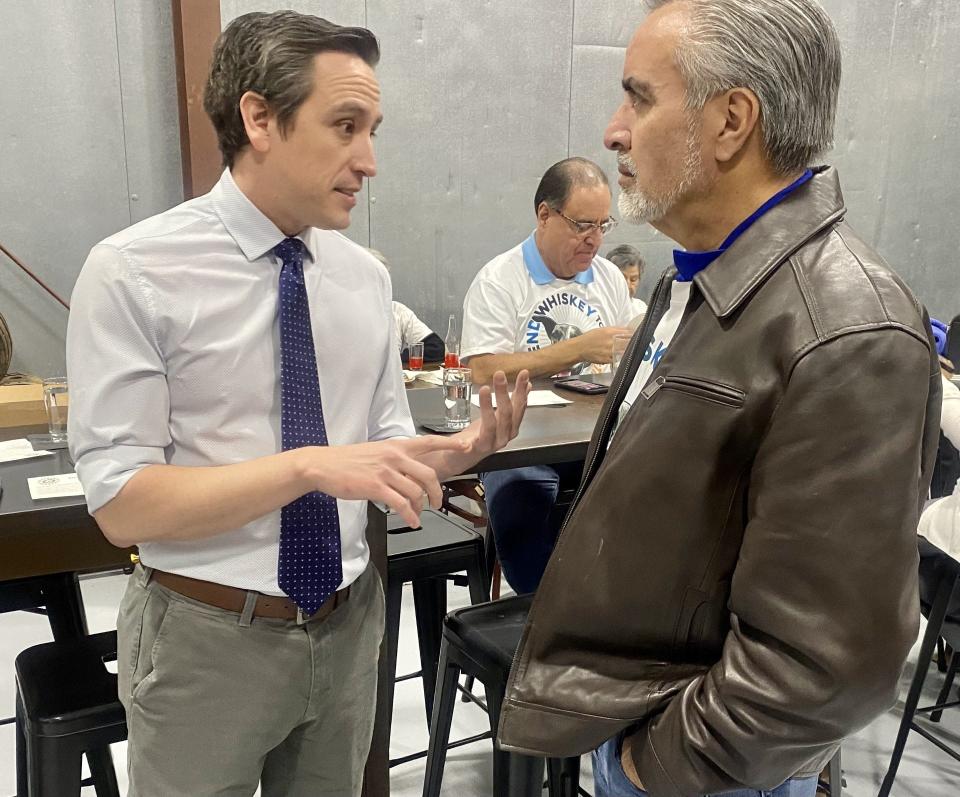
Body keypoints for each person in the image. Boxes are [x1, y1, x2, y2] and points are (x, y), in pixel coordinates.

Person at [66, 12, 529, 797]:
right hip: (205, 637)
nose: (370, 160)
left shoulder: (362, 278)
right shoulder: (134, 272)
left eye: (373, 129)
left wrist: (453, 453)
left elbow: (378, 441)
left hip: (347, 625)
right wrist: (307, 466)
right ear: (258, 119)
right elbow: (123, 505)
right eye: (345, 125)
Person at [497, 2, 940, 796]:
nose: (613, 129)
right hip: (655, 728)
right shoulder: (700, 278)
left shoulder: (846, 327)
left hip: (712, 771)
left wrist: (653, 765)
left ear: (732, 119)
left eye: (639, 98)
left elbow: (834, 659)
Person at [460, 157, 634, 593]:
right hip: (521, 442)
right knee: (524, 497)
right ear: (544, 215)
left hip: (593, 436)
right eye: (581, 225)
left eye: (603, 225)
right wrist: (573, 350)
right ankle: (540, 616)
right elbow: (480, 370)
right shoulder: (501, 280)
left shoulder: (608, 278)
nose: (593, 240)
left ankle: (612, 609)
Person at [367, 248, 445, 365]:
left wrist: (397, 360)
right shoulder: (344, 315)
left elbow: (435, 348)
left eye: (385, 281)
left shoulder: (397, 311)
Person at [606, 243, 649, 318]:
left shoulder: (642, 310)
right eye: (622, 278)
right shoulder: (596, 306)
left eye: (633, 279)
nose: (627, 285)